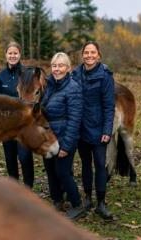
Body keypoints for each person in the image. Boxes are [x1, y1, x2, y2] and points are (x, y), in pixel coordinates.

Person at [72, 41, 115, 220]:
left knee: (99, 164)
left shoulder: (105, 76)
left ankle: (101, 203)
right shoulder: (75, 74)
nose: (89, 55)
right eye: (86, 52)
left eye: (93, 52)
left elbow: (109, 106)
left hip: (98, 128)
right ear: (82, 55)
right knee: (85, 164)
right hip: (81, 127)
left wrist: (107, 129)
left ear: (98, 55)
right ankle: (88, 199)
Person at [41, 52, 84, 220]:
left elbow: (75, 119)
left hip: (64, 137)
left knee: (62, 172)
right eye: (54, 66)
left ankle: (77, 203)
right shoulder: (50, 85)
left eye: (60, 66)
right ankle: (57, 200)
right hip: (48, 138)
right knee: (50, 170)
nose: (57, 69)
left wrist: (66, 146)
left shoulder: (73, 88)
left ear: (68, 68)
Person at [0, 41, 34, 188]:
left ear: (19, 55)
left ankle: (28, 187)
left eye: (15, 53)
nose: (12, 56)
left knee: (24, 158)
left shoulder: (27, 73)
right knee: (10, 159)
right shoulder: (0, 77)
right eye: (10, 53)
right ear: (6, 55)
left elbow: (33, 98)